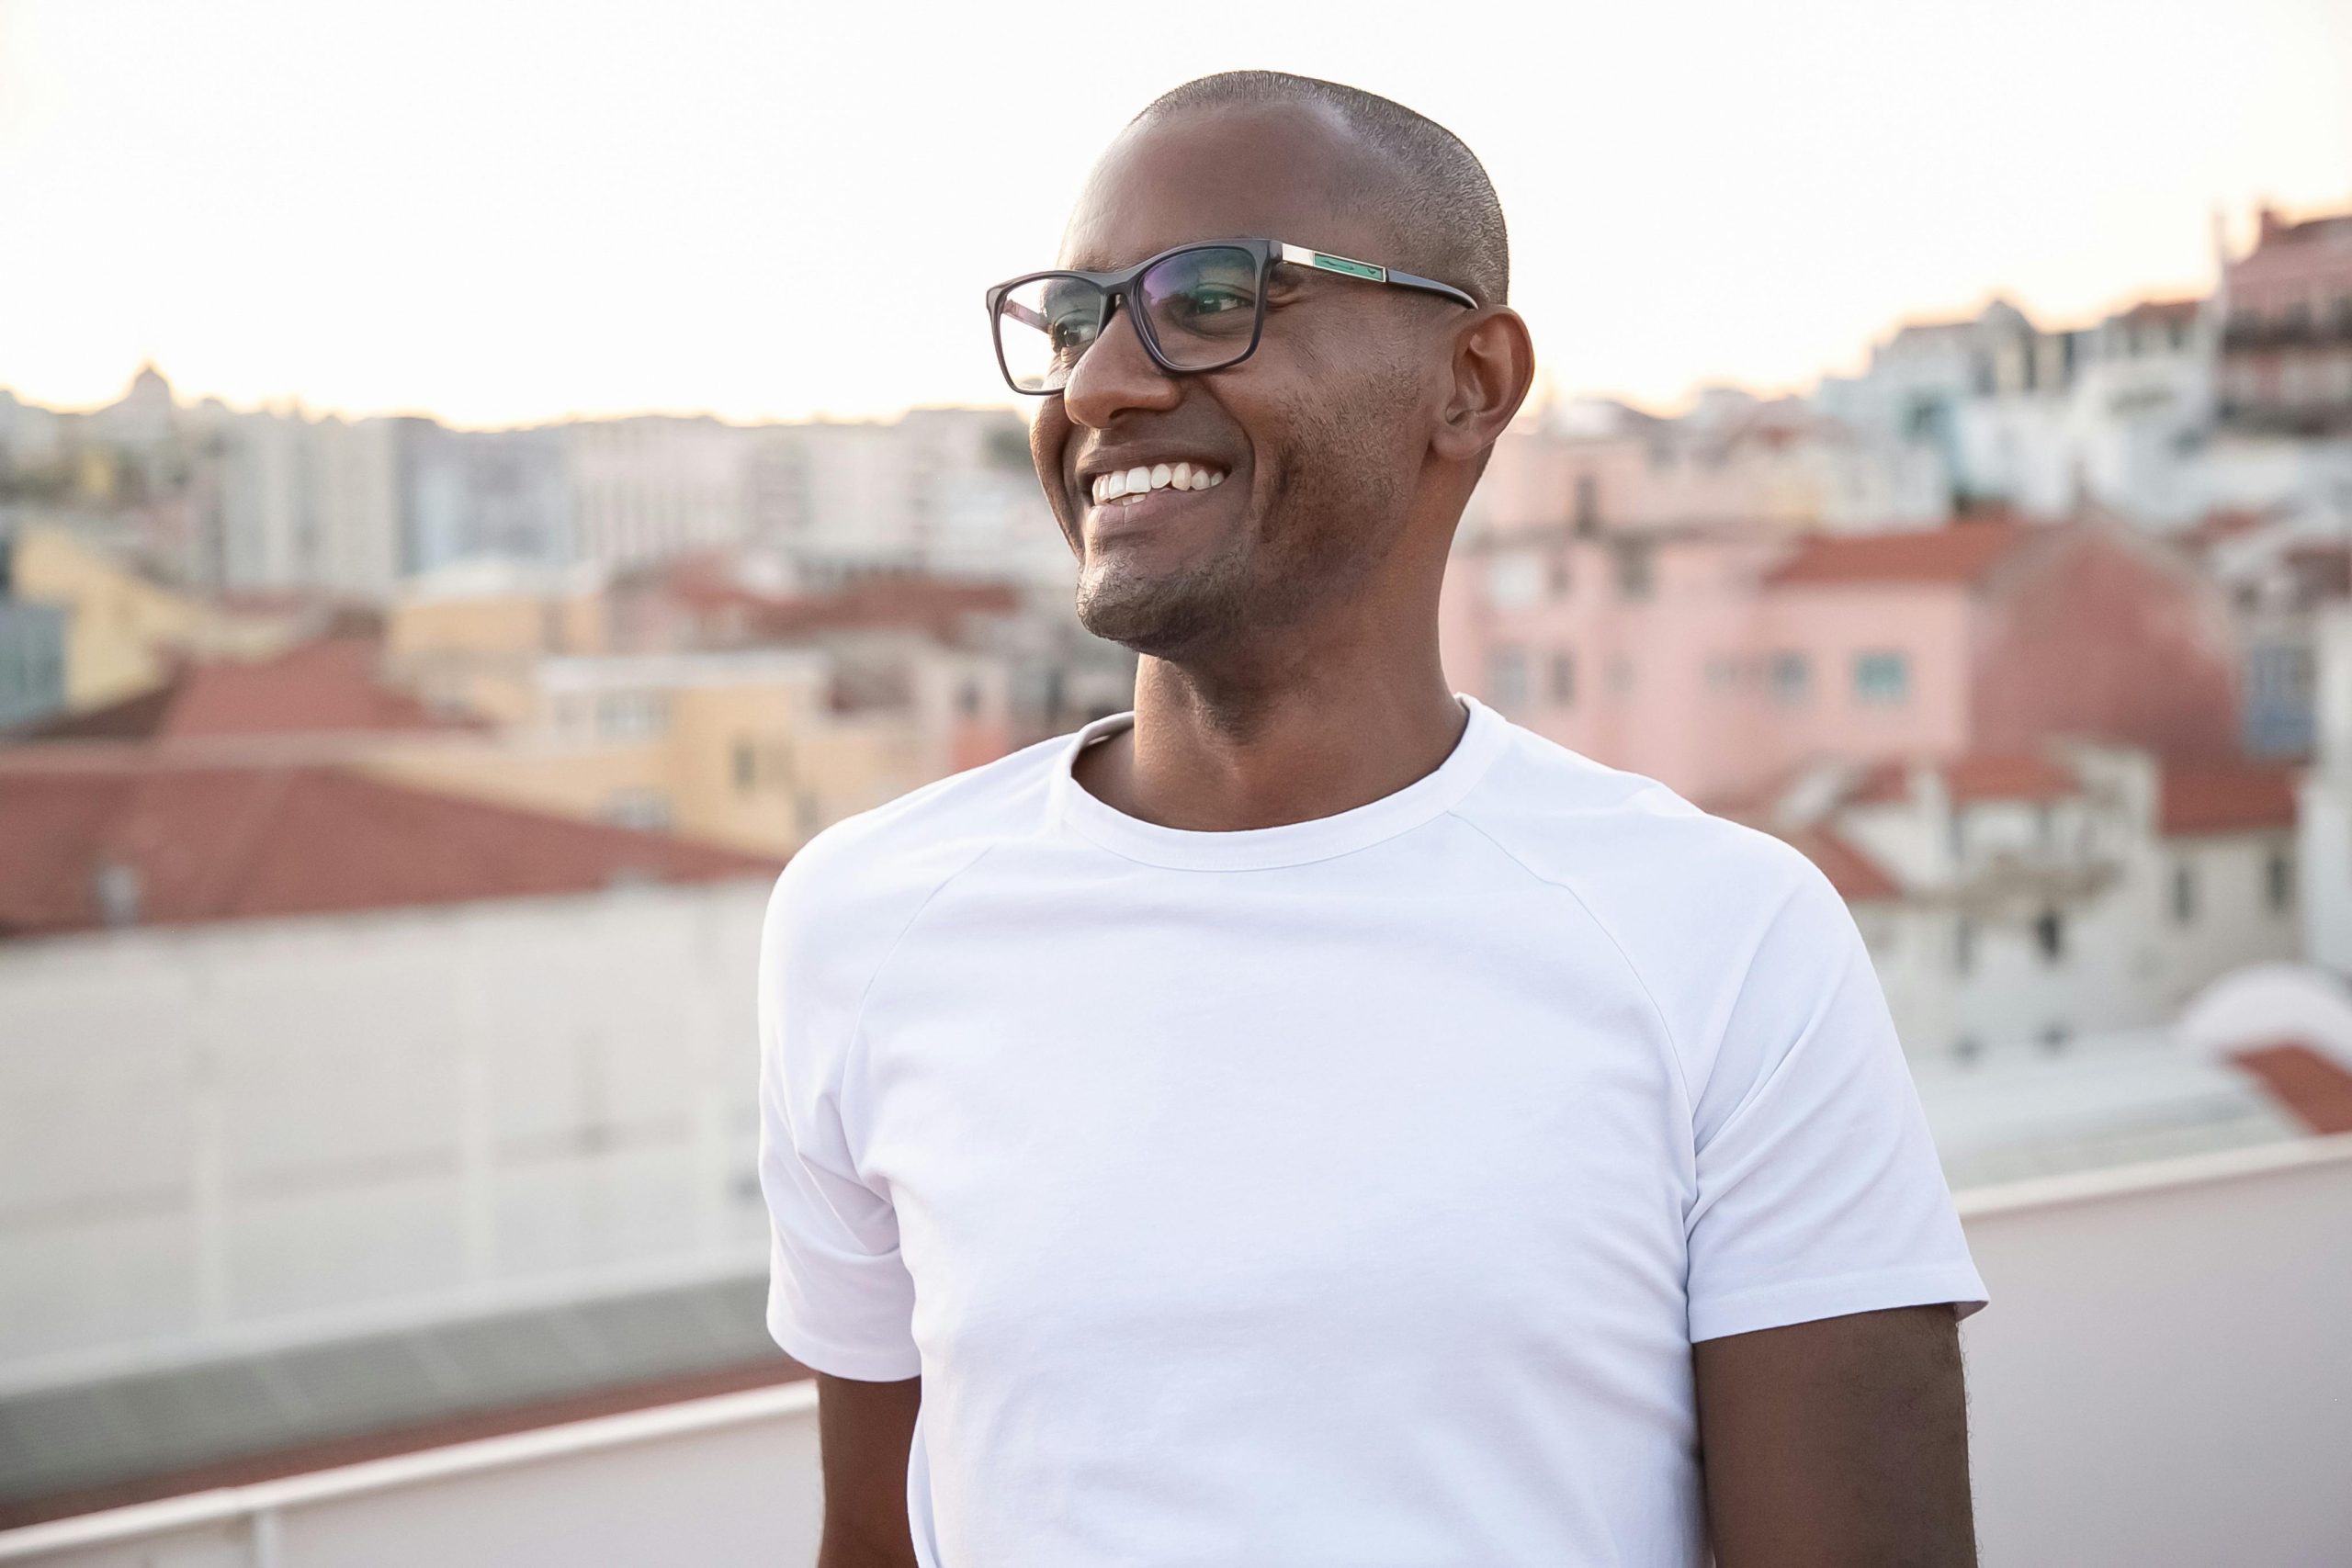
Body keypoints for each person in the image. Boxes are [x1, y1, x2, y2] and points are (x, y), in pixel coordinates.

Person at [758, 69, 1986, 1568]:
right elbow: (870, 1543)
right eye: (1077, 321)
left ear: (1469, 381)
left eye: (1209, 300)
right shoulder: (868, 919)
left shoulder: (1724, 938)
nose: (1099, 388)